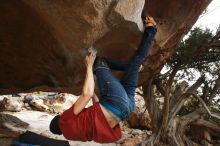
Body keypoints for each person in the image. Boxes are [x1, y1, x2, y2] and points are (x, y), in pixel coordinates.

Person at [49, 17, 157, 143]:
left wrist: (94, 92)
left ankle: (151, 29)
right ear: (59, 118)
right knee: (99, 62)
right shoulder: (64, 120)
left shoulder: (77, 133)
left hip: (127, 109)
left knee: (136, 62)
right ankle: (131, 67)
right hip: (115, 101)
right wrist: (89, 66)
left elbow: (97, 114)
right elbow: (87, 94)